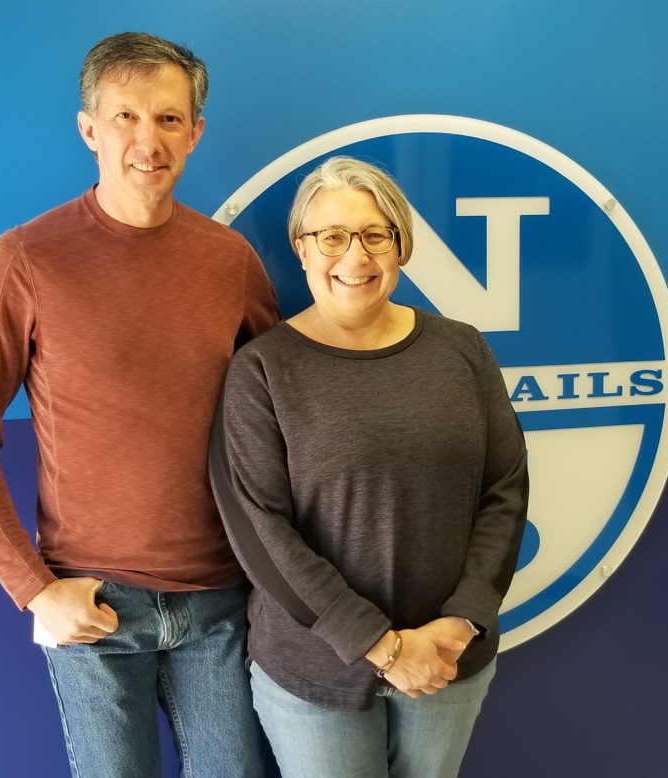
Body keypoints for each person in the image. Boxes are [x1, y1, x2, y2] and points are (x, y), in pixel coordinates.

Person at [0, 32, 277, 778]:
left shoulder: (231, 262)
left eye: (168, 118)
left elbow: (285, 417)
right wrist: (36, 591)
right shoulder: (25, 259)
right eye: (125, 116)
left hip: (221, 600)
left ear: (195, 132)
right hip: (93, 603)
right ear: (89, 129)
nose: (147, 140)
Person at [209, 156, 529, 777]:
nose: (355, 256)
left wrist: (461, 622)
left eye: (375, 235)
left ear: (401, 245)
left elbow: (505, 490)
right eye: (331, 236)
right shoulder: (262, 371)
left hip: (446, 661)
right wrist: (380, 646)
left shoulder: (462, 349)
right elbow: (260, 528)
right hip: (318, 671)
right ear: (302, 248)